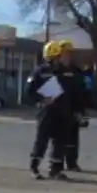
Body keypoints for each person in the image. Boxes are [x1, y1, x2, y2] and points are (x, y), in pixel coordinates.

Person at [28, 40, 86, 179]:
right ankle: (34, 167)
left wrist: (77, 110)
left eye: (58, 56)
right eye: (55, 56)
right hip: (46, 112)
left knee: (60, 142)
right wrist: (41, 99)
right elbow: (29, 91)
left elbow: (74, 91)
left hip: (63, 112)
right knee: (42, 140)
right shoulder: (39, 71)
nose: (57, 59)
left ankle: (56, 169)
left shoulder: (65, 71)